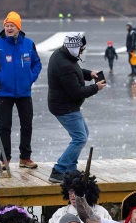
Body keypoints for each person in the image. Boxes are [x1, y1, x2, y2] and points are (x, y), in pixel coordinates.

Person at [0, 11, 42, 171]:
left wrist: (31, 77)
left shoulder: (28, 44)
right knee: (5, 126)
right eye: (7, 26)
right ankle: (4, 159)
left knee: (27, 125)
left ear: (18, 27)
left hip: (24, 92)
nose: (9, 28)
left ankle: (25, 158)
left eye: (12, 26)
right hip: (4, 93)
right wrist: (0, 77)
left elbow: (37, 64)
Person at [46, 32, 107, 184]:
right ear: (74, 47)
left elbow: (76, 71)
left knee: (82, 134)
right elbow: (76, 92)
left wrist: (90, 74)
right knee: (80, 138)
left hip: (64, 105)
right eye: (81, 48)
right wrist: (95, 87)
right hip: (64, 107)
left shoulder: (63, 54)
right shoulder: (64, 64)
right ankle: (59, 170)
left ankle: (70, 170)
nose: (82, 51)